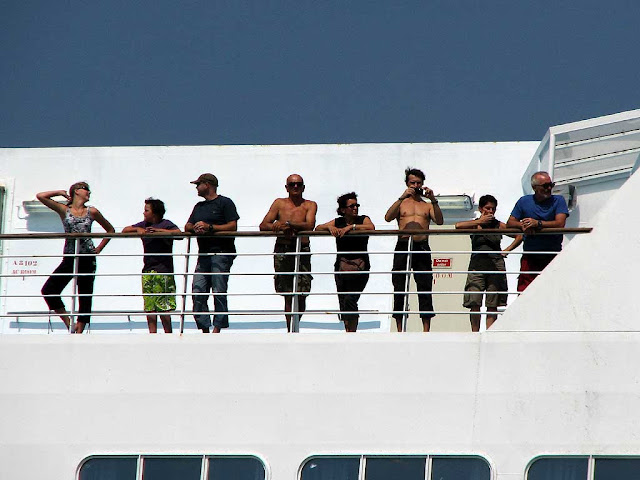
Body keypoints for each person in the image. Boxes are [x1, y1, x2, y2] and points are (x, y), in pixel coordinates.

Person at [37, 182, 115, 333]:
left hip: (87, 257)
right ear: (77, 191)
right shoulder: (64, 209)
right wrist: (59, 192)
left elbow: (110, 230)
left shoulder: (91, 211)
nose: (89, 193)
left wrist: (99, 248)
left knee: (85, 295)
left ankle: (79, 331)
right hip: (70, 256)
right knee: (49, 289)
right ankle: (69, 322)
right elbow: (41, 196)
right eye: (87, 190)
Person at [384, 167, 444, 332]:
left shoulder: (427, 205)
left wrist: (434, 200)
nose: (416, 185)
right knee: (399, 285)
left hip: (421, 246)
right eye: (413, 182)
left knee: (424, 286)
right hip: (403, 245)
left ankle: (426, 329)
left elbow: (439, 221)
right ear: (407, 184)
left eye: (418, 183)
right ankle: (399, 329)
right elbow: (388, 217)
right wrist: (401, 197)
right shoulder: (402, 203)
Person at [455, 195, 522, 331]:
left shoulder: (498, 225)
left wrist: (507, 250)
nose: (490, 211)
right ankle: (474, 333)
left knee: (493, 301)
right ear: (480, 209)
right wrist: (480, 221)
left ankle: (490, 332)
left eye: (493, 209)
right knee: (474, 301)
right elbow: (458, 226)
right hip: (477, 264)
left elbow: (519, 235)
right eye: (487, 208)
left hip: (495, 264)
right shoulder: (475, 224)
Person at [259, 174, 317, 332]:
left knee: (302, 291)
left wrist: (288, 224)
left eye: (298, 184)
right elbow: (263, 225)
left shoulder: (310, 205)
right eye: (292, 184)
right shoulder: (279, 203)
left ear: (303, 187)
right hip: (283, 249)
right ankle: (290, 328)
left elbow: (310, 224)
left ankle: (295, 324)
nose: (295, 187)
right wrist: (278, 227)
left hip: (302, 250)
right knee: (287, 292)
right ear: (287, 188)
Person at [185, 173, 239, 333]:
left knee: (218, 290)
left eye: (198, 184)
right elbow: (187, 225)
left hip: (221, 253)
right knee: (197, 290)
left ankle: (217, 329)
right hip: (204, 255)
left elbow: (232, 226)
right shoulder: (199, 207)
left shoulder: (225, 203)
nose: (196, 187)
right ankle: (204, 328)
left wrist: (210, 228)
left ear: (207, 185)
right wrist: (195, 228)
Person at [316, 192, 375, 332]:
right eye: (351, 206)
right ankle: (347, 332)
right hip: (342, 267)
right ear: (343, 210)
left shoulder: (363, 219)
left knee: (350, 299)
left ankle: (352, 333)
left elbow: (371, 227)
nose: (355, 208)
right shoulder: (338, 222)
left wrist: (351, 227)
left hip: (360, 267)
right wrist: (330, 228)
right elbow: (318, 228)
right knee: (343, 301)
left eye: (356, 205)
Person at [123, 198, 181, 333]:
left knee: (164, 307)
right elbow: (124, 230)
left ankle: (168, 334)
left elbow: (179, 234)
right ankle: (152, 334)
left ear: (154, 213)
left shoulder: (166, 224)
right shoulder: (143, 224)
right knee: (150, 306)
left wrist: (159, 232)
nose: (144, 213)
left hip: (164, 271)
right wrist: (137, 229)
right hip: (148, 270)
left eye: (146, 210)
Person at [507, 171, 569, 292]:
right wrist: (524, 225)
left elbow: (560, 223)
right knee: (525, 291)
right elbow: (510, 222)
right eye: (545, 186)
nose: (549, 188)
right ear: (534, 188)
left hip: (552, 253)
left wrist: (537, 224)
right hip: (530, 255)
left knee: (553, 289)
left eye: (551, 184)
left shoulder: (558, 200)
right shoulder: (524, 201)